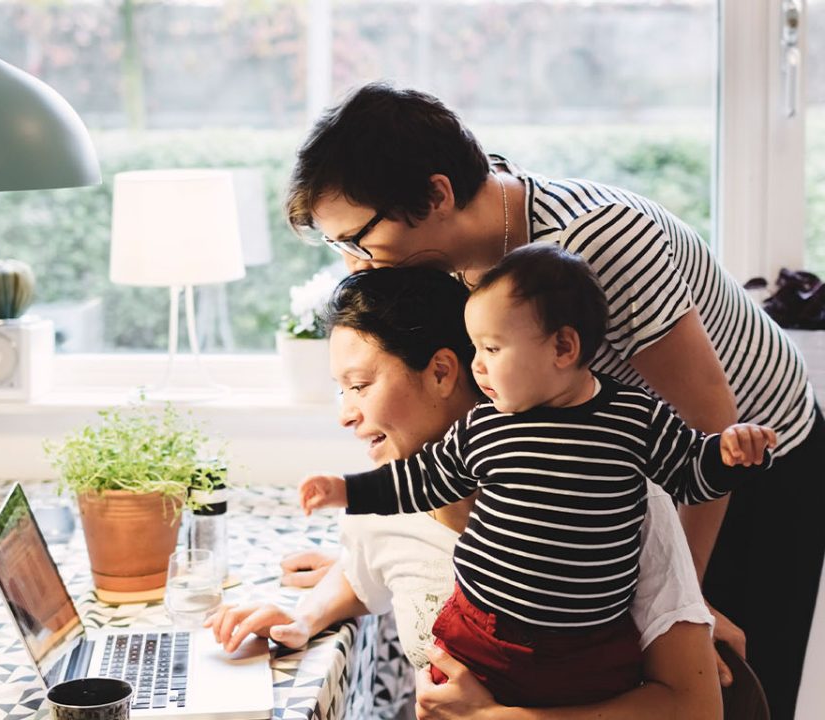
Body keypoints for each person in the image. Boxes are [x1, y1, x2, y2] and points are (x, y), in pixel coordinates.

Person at [284, 82, 824, 717]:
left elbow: (710, 417)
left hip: (750, 457)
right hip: (636, 454)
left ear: (436, 195)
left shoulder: (601, 244)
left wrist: (686, 597)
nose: (358, 266)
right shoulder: (457, 251)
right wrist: (386, 561)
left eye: (361, 238)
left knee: (727, 680)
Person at [208, 266, 723, 717]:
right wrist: (302, 617)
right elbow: (363, 572)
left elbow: (693, 708)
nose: (345, 413)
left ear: (440, 372)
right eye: (341, 391)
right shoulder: (384, 503)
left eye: (360, 385)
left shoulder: (614, 490)